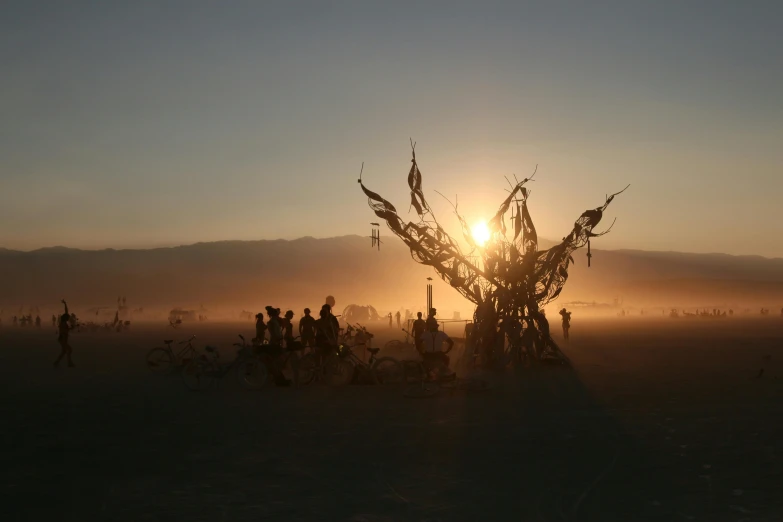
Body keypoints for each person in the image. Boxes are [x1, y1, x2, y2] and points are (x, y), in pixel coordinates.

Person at [261, 306, 291, 386]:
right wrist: (279, 339)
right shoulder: (272, 322)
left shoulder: (274, 321)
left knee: (277, 362)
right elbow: (275, 334)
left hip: (276, 342)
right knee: (277, 362)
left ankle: (279, 379)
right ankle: (278, 380)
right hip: (275, 343)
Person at [54, 299, 74, 368]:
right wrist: (71, 328)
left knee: (64, 351)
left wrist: (65, 304)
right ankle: (69, 363)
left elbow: (66, 311)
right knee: (69, 350)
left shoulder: (63, 322)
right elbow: (64, 331)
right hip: (63, 338)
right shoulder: (62, 323)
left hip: (63, 338)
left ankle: (57, 362)